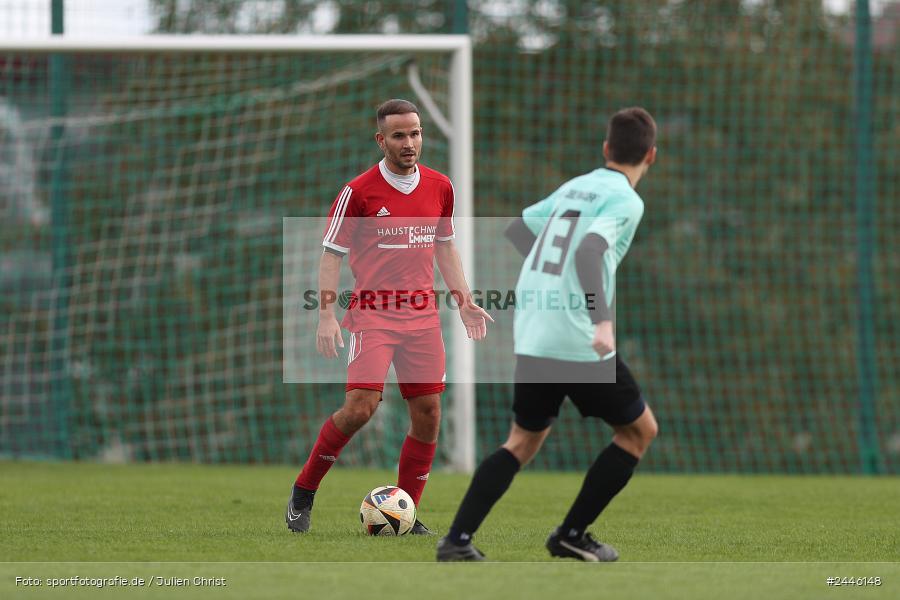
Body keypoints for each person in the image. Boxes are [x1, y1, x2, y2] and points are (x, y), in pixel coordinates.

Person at [436, 107, 660, 561]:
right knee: (639, 432)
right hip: (577, 336)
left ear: (605, 149)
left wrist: (547, 281)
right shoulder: (626, 200)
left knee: (522, 441)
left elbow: (521, 229)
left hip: (535, 329)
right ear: (651, 156)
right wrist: (601, 319)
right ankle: (571, 534)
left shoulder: (575, 186)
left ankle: (456, 541)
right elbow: (591, 251)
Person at [286, 99, 492, 535]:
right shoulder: (357, 192)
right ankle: (304, 489)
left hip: (421, 318)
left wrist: (464, 299)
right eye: (399, 135)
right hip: (373, 316)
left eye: (415, 133)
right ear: (381, 140)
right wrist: (326, 315)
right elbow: (331, 255)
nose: (409, 142)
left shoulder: (440, 186)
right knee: (361, 408)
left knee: (429, 413)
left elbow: (444, 246)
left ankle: (407, 513)